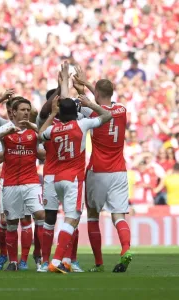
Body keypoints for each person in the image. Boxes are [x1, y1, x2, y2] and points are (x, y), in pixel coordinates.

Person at [39, 90, 112, 273]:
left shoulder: (54, 129)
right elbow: (107, 115)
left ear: (61, 113)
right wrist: (90, 104)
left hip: (57, 179)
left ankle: (62, 260)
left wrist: (53, 114)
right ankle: (56, 261)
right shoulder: (82, 124)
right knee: (72, 218)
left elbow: (40, 134)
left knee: (66, 218)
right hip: (74, 179)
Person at [75, 75, 132, 272]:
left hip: (97, 171)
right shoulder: (122, 109)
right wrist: (90, 87)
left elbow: (91, 105)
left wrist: (83, 91)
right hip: (119, 171)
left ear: (96, 94)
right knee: (119, 215)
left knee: (93, 215)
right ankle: (125, 249)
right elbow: (103, 101)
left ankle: (99, 263)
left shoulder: (90, 111)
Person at [0, 98, 45, 271]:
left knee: (40, 215)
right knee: (11, 223)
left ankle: (37, 259)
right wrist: (5, 133)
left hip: (31, 182)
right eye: (23, 110)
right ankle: (13, 262)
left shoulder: (35, 130)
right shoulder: (5, 129)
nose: (26, 112)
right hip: (10, 183)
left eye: (28, 109)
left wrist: (37, 133)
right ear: (14, 112)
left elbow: (46, 151)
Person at [37, 65, 85, 273]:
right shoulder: (71, 122)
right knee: (63, 218)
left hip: (53, 174)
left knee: (61, 217)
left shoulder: (51, 125)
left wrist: (63, 83)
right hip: (60, 174)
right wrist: (63, 85)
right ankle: (53, 260)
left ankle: (64, 259)